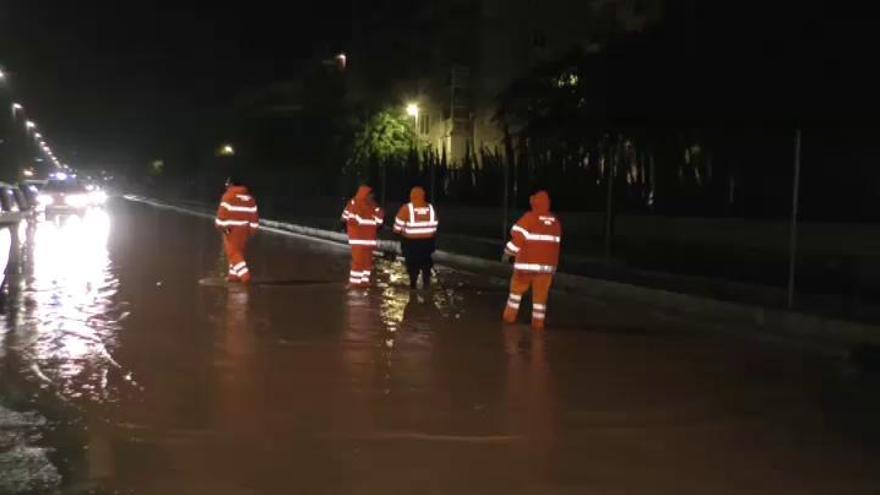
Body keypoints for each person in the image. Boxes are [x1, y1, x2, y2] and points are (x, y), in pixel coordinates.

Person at [502, 190, 562, 330]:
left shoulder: (529, 219)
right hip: (546, 270)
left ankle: (509, 318)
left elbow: (517, 240)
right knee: (540, 300)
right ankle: (538, 324)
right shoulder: (555, 223)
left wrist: (507, 253)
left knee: (515, 294)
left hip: (525, 267)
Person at [215, 176, 259, 283]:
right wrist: (252, 230)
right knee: (239, 251)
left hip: (231, 230)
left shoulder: (228, 197)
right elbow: (254, 216)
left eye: (227, 185)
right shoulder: (250, 198)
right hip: (245, 230)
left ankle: (245, 276)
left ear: (231, 185)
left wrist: (220, 227)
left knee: (233, 253)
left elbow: (221, 215)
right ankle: (233, 276)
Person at [393, 186, 439, 289]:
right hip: (428, 242)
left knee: (412, 263)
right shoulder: (430, 208)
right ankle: (426, 282)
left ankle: (413, 283)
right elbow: (435, 223)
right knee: (426, 261)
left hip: (411, 242)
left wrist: (397, 232)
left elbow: (398, 225)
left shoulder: (407, 208)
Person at [341, 185, 384, 288]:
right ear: (368, 194)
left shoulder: (353, 203)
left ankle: (355, 282)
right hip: (369, 240)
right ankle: (364, 281)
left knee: (358, 261)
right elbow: (379, 221)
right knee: (367, 261)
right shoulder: (374, 206)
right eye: (371, 194)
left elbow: (345, 217)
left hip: (357, 239)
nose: (372, 196)